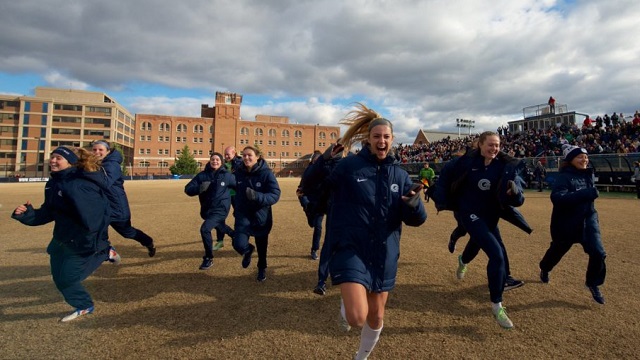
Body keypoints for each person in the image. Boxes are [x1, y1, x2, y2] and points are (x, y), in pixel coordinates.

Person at [308, 103, 427, 359]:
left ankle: (360, 357)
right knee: (357, 318)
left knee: (377, 316)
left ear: (392, 140)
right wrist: (325, 160)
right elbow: (313, 187)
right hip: (351, 247)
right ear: (368, 140)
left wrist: (413, 205)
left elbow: (417, 220)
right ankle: (347, 302)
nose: (381, 141)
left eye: (386, 137)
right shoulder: (349, 166)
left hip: (384, 252)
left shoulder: (400, 175)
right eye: (376, 136)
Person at [11, 146, 119, 322]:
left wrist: (96, 241)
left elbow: (97, 217)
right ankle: (104, 254)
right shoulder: (53, 183)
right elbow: (49, 212)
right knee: (58, 277)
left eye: (58, 158)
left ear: (70, 162)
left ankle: (85, 304)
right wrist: (26, 215)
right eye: (52, 157)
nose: (53, 161)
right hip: (61, 239)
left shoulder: (80, 185)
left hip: (81, 241)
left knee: (68, 279)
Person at [433, 131, 525, 329]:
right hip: (469, 213)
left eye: (497, 145)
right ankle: (497, 306)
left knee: (475, 246)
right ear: (480, 145)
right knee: (497, 254)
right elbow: (445, 178)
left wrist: (515, 194)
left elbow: (519, 195)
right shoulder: (466, 162)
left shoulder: (505, 166)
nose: (494, 149)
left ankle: (462, 260)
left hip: (491, 216)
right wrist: (440, 199)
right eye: (490, 145)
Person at [539, 145, 607, 304]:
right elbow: (558, 198)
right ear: (570, 160)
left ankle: (593, 283)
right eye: (580, 157)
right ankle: (545, 268)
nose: (584, 159)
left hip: (588, 219)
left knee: (598, 252)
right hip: (566, 222)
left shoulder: (588, 174)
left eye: (586, 157)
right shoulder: (564, 177)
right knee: (558, 250)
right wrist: (586, 193)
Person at [91, 141, 156, 256]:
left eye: (100, 150)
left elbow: (105, 183)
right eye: (94, 150)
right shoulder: (97, 164)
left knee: (127, 232)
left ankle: (148, 242)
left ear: (108, 151)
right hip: (102, 207)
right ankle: (104, 253)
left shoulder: (111, 165)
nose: (97, 152)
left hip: (116, 206)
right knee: (96, 230)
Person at [231, 146, 281, 282]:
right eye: (244, 155)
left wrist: (256, 196)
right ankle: (247, 250)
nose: (246, 158)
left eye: (249, 155)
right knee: (238, 244)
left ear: (257, 156)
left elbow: (275, 194)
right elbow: (230, 187)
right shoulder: (238, 173)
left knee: (262, 245)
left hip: (261, 216)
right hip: (243, 214)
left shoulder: (266, 173)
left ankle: (261, 267)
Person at [184, 152, 236, 270]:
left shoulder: (227, 176)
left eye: (217, 159)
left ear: (221, 162)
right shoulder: (202, 175)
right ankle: (234, 235)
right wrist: (200, 188)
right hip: (207, 209)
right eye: (213, 159)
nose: (215, 161)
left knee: (205, 229)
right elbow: (187, 189)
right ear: (210, 161)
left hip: (221, 208)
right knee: (219, 225)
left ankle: (208, 257)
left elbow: (239, 187)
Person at [213, 146, 245, 251]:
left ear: (234, 153)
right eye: (225, 154)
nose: (226, 156)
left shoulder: (241, 162)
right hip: (224, 195)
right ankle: (220, 241)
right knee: (219, 216)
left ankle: (239, 237)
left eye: (228, 154)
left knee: (239, 215)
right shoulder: (221, 163)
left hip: (236, 194)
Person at [296, 151, 324, 261]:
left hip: (320, 204)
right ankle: (309, 215)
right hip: (309, 205)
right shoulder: (307, 173)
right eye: (316, 161)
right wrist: (306, 204)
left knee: (318, 226)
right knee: (312, 223)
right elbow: (299, 190)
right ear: (312, 162)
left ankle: (314, 249)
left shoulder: (325, 172)